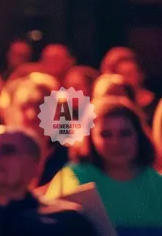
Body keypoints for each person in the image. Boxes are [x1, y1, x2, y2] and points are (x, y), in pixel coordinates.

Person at [45, 96, 162, 230]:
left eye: (125, 133)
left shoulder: (157, 186)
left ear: (138, 135)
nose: (117, 143)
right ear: (90, 138)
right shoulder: (73, 180)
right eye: (106, 134)